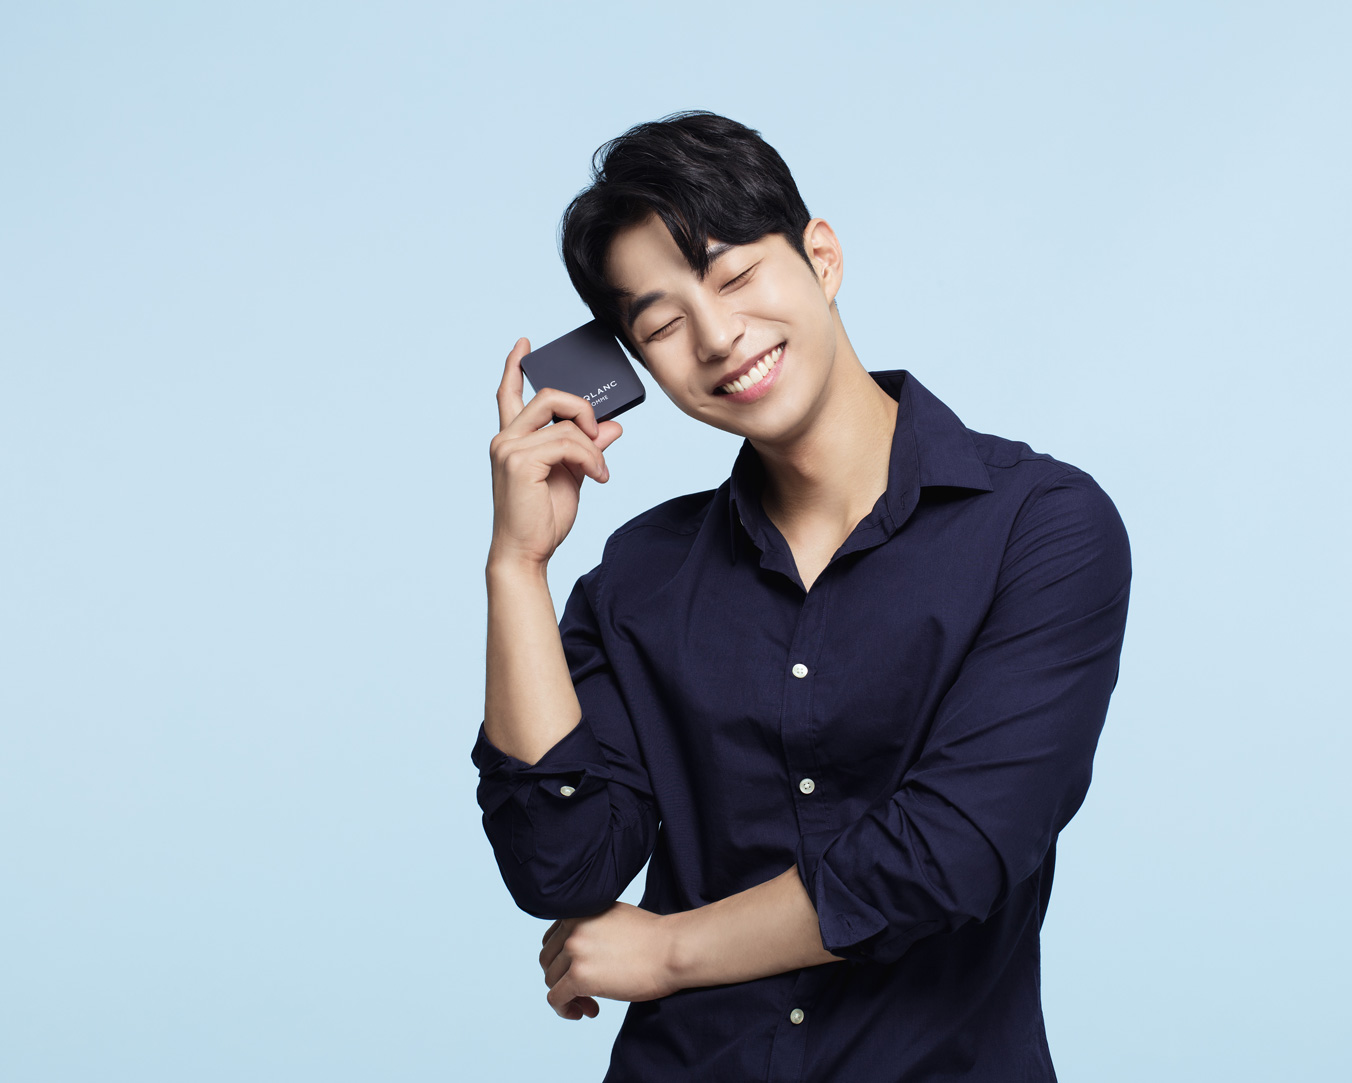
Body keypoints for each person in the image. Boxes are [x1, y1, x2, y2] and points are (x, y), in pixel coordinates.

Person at [473, 109, 1132, 1082]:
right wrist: (517, 567)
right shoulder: (639, 575)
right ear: (635, 366)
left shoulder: (1040, 527)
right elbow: (561, 867)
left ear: (821, 257)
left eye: (736, 276)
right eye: (661, 324)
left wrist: (670, 949)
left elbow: (952, 851)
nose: (717, 337)